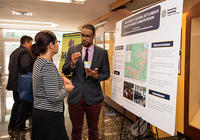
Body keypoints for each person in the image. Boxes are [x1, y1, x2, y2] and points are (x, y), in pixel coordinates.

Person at [62, 24, 110, 140]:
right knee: (76, 129)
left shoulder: (102, 53)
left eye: (87, 36)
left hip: (94, 97)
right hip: (76, 96)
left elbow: (106, 74)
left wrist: (96, 75)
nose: (84, 38)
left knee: (93, 129)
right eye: (82, 35)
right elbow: (65, 70)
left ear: (93, 36)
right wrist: (72, 64)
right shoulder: (73, 49)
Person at [31, 30, 74, 140]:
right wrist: (67, 89)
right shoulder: (47, 65)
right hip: (49, 115)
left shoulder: (39, 61)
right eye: (57, 42)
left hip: (41, 112)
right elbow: (54, 97)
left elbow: (46, 80)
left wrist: (62, 78)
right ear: (51, 45)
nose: (58, 45)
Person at [6, 35, 34, 137]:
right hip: (23, 84)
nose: (31, 46)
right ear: (26, 43)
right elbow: (25, 66)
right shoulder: (25, 52)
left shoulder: (14, 52)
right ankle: (19, 127)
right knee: (24, 106)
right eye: (30, 43)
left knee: (17, 104)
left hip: (14, 83)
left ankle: (11, 126)